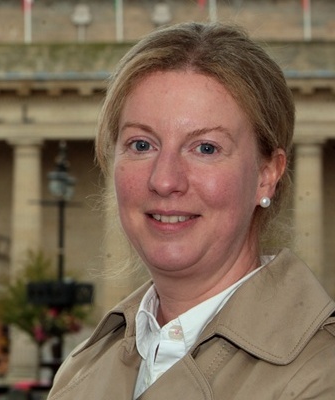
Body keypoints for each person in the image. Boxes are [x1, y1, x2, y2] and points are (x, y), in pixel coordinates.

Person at [48, 22, 335, 399]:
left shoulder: (319, 372)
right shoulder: (80, 372)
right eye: (141, 144)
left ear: (267, 175)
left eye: (206, 148)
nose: (165, 180)